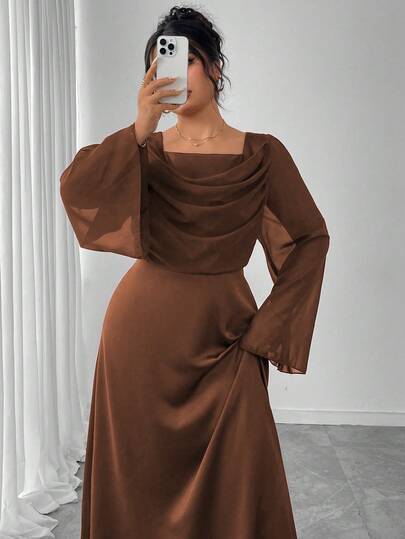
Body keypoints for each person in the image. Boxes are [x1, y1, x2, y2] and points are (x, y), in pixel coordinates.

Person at [60, 6, 330, 538]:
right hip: (140, 340)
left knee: (239, 476)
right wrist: (139, 128)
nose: (173, 74)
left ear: (214, 67)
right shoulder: (146, 151)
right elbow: (78, 191)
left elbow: (310, 238)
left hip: (227, 337)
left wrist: (270, 328)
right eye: (159, 65)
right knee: (139, 477)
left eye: (185, 60)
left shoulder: (263, 154)